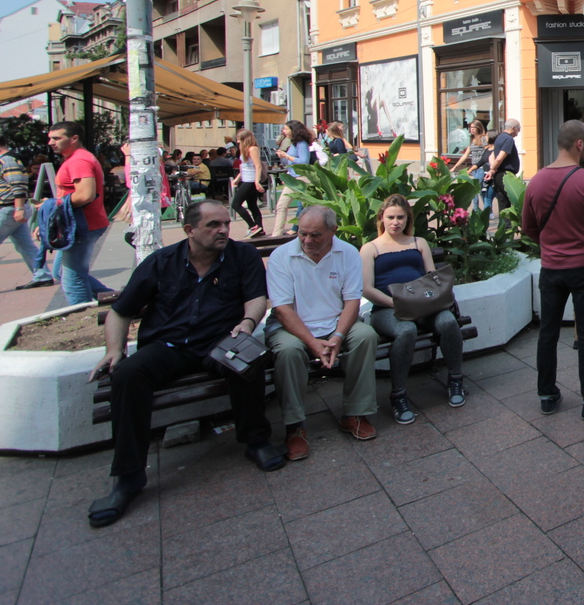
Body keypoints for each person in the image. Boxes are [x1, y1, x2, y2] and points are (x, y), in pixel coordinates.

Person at [85, 200, 285, 527]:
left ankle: (256, 441)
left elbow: (255, 299)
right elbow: (121, 311)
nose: (223, 230)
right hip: (168, 345)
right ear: (190, 231)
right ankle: (129, 476)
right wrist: (114, 349)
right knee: (126, 375)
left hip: (220, 339)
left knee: (248, 361)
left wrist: (247, 323)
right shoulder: (161, 262)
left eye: (225, 223)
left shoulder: (242, 256)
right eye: (213, 225)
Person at [522, 120, 584, 419]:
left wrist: (550, 244)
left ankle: (547, 395)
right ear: (580, 144)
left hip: (551, 268)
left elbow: (527, 228)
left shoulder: (536, 181)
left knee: (548, 333)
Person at [265, 206, 379, 460]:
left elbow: (352, 301)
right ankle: (294, 427)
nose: (306, 240)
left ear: (333, 231)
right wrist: (313, 343)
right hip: (291, 326)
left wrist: (337, 336)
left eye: (315, 235)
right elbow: (282, 310)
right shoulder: (282, 256)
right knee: (288, 350)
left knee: (365, 336)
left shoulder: (347, 253)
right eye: (301, 233)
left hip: (333, 322)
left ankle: (355, 414)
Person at [362, 195, 466, 424]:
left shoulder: (418, 243)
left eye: (400, 217)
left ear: (407, 219)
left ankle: (456, 379)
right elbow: (367, 289)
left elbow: (432, 277)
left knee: (448, 322)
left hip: (423, 305)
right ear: (381, 218)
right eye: (390, 217)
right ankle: (398, 394)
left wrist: (432, 298)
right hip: (387, 310)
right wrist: (396, 303)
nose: (395, 222)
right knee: (406, 330)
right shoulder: (370, 249)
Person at [47, 121, 114, 305]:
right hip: (76, 223)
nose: (51, 143)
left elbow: (85, 194)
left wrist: (55, 207)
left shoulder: (79, 160)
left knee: (73, 278)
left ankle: (83, 317)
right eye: (50, 138)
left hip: (82, 225)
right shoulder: (75, 158)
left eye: (56, 138)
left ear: (74, 138)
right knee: (61, 272)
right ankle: (117, 300)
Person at [0, 130, 55, 289]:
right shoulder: (4, 161)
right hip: (10, 209)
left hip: (6, 209)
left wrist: (19, 208)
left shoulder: (7, 161)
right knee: (25, 245)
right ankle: (42, 275)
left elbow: (18, 186)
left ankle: (42, 275)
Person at [271, 120, 313, 237]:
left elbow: (304, 161)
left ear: (293, 130)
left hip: (301, 179)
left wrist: (287, 156)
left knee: (305, 207)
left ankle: (304, 231)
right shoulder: (294, 143)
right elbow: (290, 161)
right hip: (293, 178)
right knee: (281, 206)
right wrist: (283, 157)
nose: (283, 131)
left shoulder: (302, 144)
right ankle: (276, 234)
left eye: (285, 129)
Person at [229, 129, 266, 237]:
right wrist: (237, 178)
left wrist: (257, 182)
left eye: (239, 139)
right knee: (252, 206)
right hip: (246, 179)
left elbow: (258, 166)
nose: (238, 141)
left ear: (245, 139)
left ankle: (253, 226)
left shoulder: (252, 149)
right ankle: (260, 229)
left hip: (250, 181)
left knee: (235, 204)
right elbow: (244, 166)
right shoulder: (244, 149)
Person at [482, 119, 522, 211]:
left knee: (503, 202)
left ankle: (505, 225)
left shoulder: (499, 138)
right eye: (518, 129)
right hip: (506, 175)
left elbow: (491, 156)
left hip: (498, 175)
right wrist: (492, 169)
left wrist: (492, 170)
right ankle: (513, 224)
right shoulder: (509, 139)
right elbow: (500, 158)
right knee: (515, 200)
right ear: (513, 128)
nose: (518, 132)